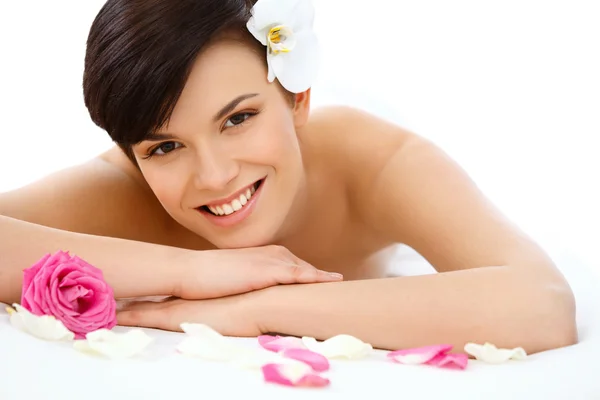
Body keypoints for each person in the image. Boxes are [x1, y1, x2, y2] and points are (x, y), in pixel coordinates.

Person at [0, 0, 577, 353]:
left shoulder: (370, 161)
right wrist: (193, 271)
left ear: (297, 95)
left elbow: (542, 303)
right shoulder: (126, 190)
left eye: (239, 118)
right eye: (166, 146)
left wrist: (259, 308)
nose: (215, 175)